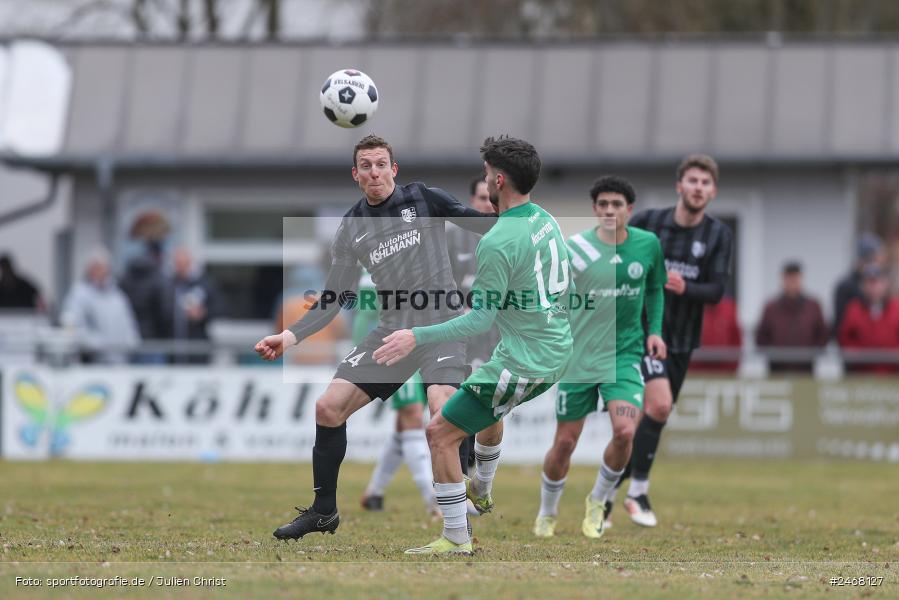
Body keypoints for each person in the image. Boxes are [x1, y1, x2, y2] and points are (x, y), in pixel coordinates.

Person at [255, 134, 496, 541]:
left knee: (441, 414)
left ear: (393, 169)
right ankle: (324, 511)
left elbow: (482, 225)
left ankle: (461, 511)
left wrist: (523, 221)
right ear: (356, 174)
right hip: (392, 334)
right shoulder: (351, 228)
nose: (374, 172)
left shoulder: (424, 199)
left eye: (381, 163)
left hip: (440, 327)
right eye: (365, 165)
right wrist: (289, 336)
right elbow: (334, 297)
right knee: (327, 408)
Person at [373, 135, 573, 555]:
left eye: (486, 175)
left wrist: (416, 336)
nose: (484, 181)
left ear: (499, 180)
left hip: (527, 357)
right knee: (487, 404)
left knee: (439, 433)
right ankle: (480, 486)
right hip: (547, 346)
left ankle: (456, 537)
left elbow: (480, 319)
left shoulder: (497, 240)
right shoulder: (545, 219)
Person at [534, 176, 666, 539]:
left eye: (616, 205)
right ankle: (547, 511)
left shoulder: (648, 245)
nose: (609, 210)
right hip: (579, 356)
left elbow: (655, 289)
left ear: (629, 210)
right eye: (603, 205)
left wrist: (654, 330)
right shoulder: (575, 249)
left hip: (624, 354)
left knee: (625, 431)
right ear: (595, 209)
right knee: (564, 443)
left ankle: (598, 501)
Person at [612, 154, 733, 528]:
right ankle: (637, 492)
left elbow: (716, 291)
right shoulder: (650, 223)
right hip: (642, 334)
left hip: (681, 340)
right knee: (658, 407)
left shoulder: (717, 235)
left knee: (652, 419)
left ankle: (605, 492)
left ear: (712, 192)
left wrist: (686, 286)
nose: (698, 188)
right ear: (680, 186)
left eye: (705, 183)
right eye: (692, 181)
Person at [355, 269, 436, 515]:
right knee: (412, 414)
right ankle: (433, 499)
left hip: (423, 349)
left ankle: (374, 493)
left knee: (405, 423)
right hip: (393, 353)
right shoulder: (378, 262)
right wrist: (364, 357)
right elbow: (364, 317)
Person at [446, 174, 502, 468]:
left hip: (496, 338)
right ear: (472, 201)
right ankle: (458, 477)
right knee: (458, 404)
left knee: (487, 407)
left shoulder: (509, 234)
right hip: (460, 335)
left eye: (492, 198)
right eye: (482, 198)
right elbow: (440, 285)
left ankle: (478, 477)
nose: (488, 204)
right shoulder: (454, 236)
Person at [60, 248, 141, 364]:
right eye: (96, 267)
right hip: (94, 362)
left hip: (120, 362)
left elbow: (129, 326)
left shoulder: (117, 296)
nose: (100, 271)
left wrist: (131, 344)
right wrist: (100, 344)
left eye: (103, 267)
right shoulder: (78, 294)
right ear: (89, 269)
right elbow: (74, 327)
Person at [755, 262, 828, 373]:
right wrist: (775, 354)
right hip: (777, 370)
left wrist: (810, 353)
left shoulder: (813, 306)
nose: (792, 282)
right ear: (783, 280)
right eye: (789, 278)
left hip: (806, 370)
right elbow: (761, 337)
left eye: (795, 278)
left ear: (801, 279)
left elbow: (822, 334)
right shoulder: (771, 308)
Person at [163, 247, 223, 364]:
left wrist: (203, 313)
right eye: (178, 263)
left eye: (183, 263)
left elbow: (220, 307)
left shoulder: (203, 284)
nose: (180, 267)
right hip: (173, 345)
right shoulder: (168, 285)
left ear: (190, 263)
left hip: (197, 345)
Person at [838, 264, 899, 374]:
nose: (874, 287)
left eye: (877, 282)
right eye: (870, 283)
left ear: (885, 284)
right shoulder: (854, 309)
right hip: (862, 375)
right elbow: (845, 338)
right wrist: (860, 355)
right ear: (862, 286)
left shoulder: (896, 308)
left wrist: (890, 354)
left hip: (892, 375)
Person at [120, 241, 167, 363]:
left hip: (128, 340)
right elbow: (164, 312)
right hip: (153, 340)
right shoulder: (158, 279)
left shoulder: (126, 276)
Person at [833, 233, 886, 335]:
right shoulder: (846, 287)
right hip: (856, 347)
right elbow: (842, 326)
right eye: (876, 258)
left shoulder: (882, 284)